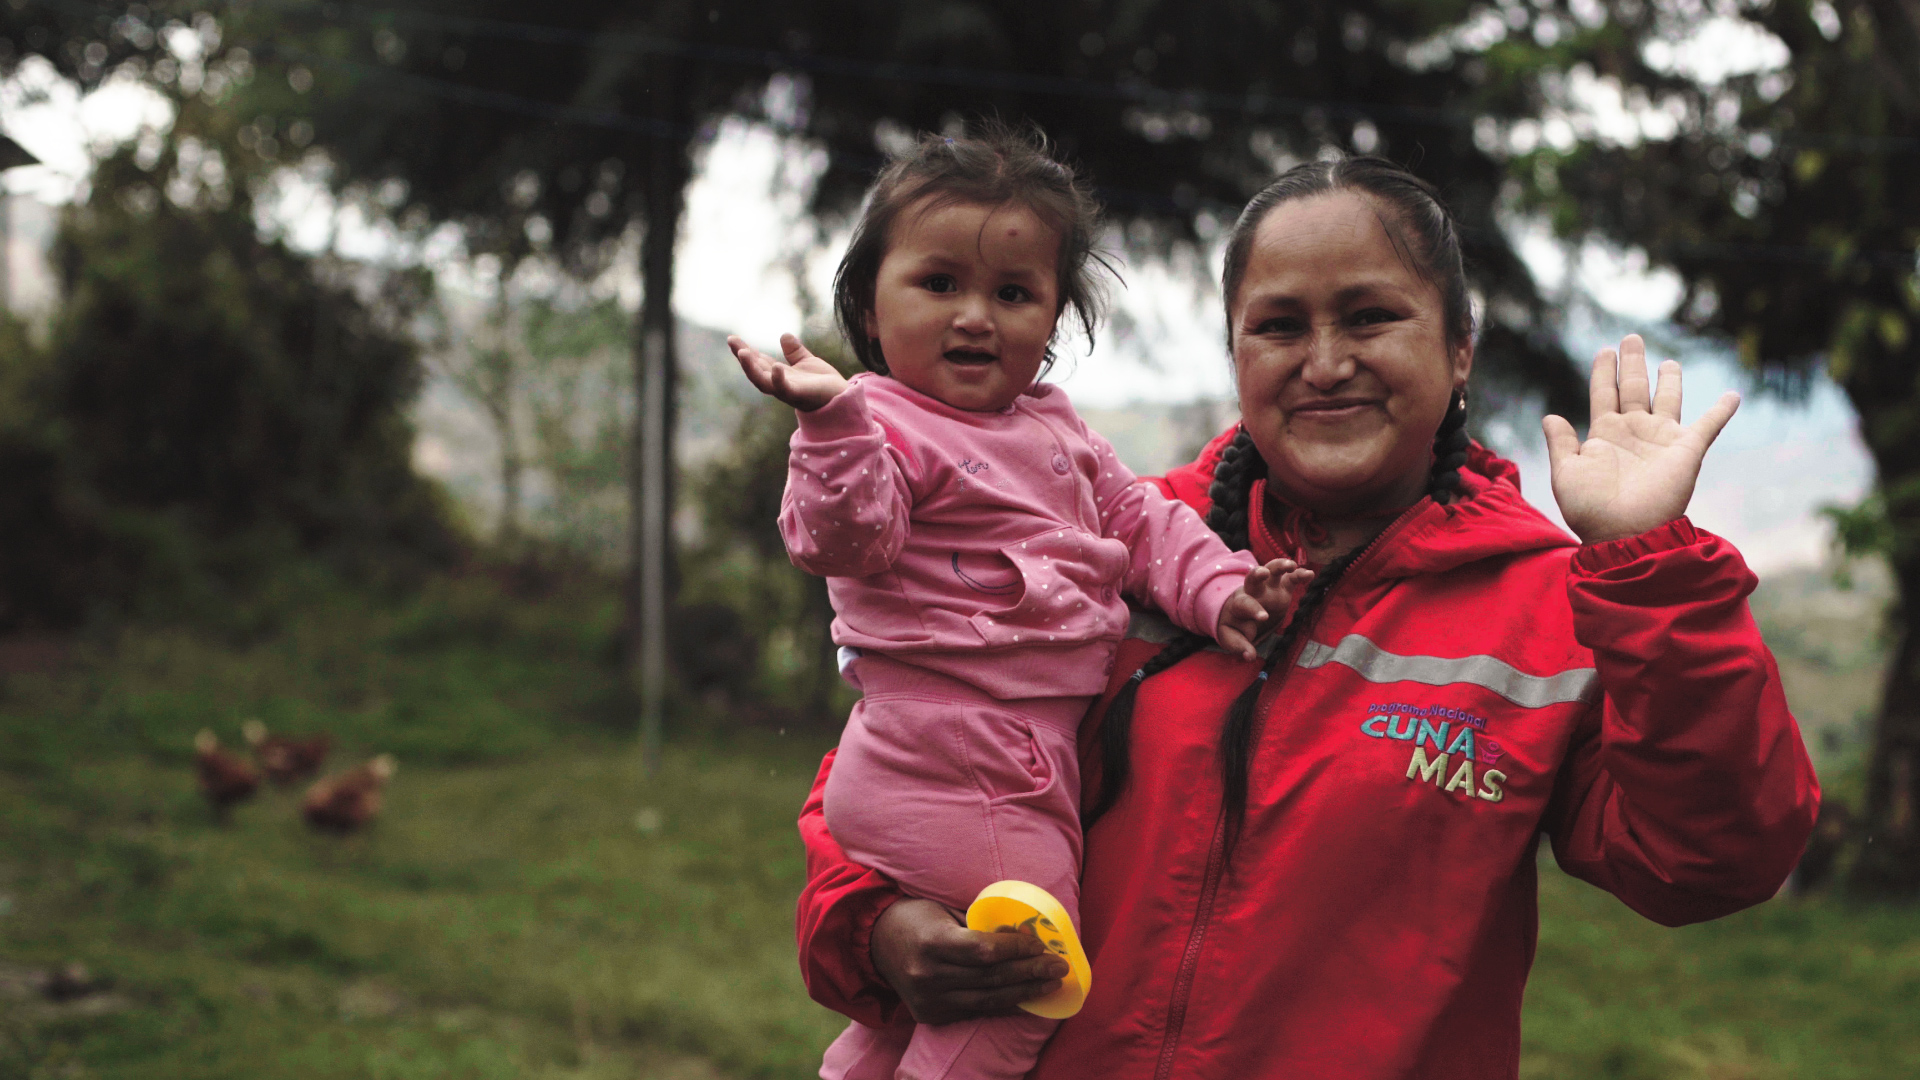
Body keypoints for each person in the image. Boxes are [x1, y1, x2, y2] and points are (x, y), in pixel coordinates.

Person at [793, 155, 1819, 1080]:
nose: (1325, 361)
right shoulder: (1100, 549)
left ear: (1459, 351)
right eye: (1280, 325)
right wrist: (879, 931)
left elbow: (1711, 860)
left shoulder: (1546, 612)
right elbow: (897, 759)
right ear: (1236, 355)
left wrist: (1650, 570)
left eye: (1371, 317)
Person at [731, 125, 1311, 1080]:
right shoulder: (880, 424)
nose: (975, 317)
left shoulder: (1055, 429)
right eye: (939, 284)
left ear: (1053, 322)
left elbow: (1139, 523)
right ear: (871, 311)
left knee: (907, 1015)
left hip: (994, 759)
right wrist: (830, 423)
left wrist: (1221, 592)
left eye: (1012, 293)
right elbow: (839, 540)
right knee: (1032, 982)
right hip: (961, 760)